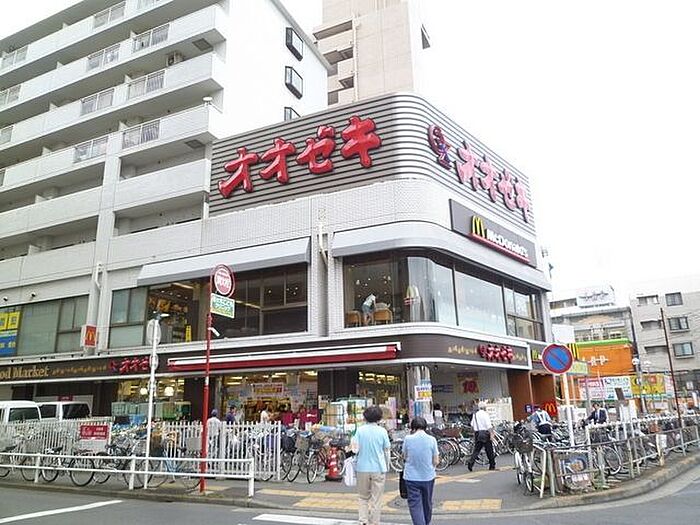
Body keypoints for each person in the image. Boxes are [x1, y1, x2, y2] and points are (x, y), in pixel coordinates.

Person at [351, 405, 391, 525]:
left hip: (362, 468)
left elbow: (355, 449)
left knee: (363, 497)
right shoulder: (382, 431)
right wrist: (387, 466)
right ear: (379, 417)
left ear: (365, 417)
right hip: (379, 468)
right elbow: (387, 450)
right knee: (376, 498)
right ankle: (374, 522)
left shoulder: (360, 430)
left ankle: (363, 520)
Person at [402, 417, 439, 525]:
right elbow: (436, 461)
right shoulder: (432, 439)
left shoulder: (408, 439)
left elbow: (404, 456)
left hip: (411, 477)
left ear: (413, 428)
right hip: (428, 476)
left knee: (415, 504)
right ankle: (426, 522)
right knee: (427, 502)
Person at [467, 401, 496, 471]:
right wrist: (491, 434)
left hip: (477, 433)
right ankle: (492, 465)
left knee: (476, 449)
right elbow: (488, 425)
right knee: (489, 449)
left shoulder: (475, 415)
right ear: (484, 407)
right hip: (485, 433)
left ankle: (471, 462)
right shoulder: (485, 414)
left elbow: (472, 425)